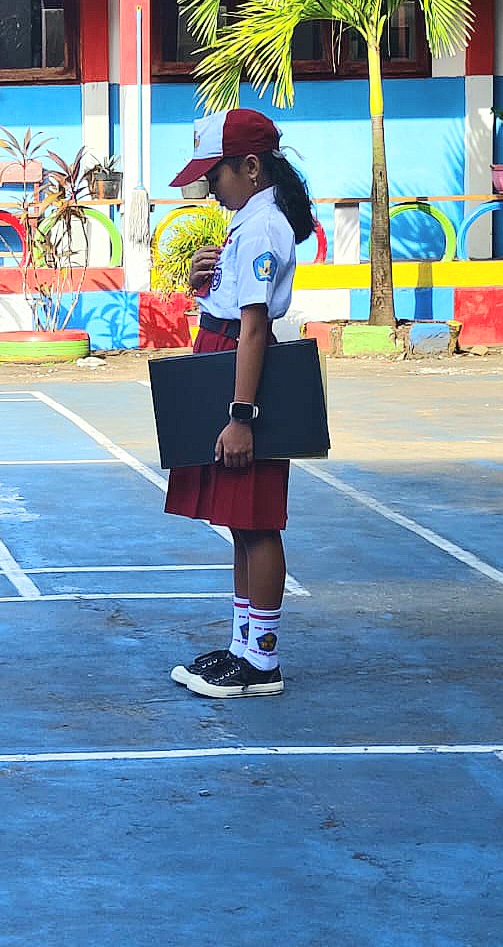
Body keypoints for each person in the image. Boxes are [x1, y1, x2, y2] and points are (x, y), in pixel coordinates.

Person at [163, 108, 316, 699]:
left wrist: (241, 416)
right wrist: (203, 280)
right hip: (226, 362)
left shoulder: (261, 228)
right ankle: (242, 646)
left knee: (257, 521)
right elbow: (231, 304)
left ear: (251, 168)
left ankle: (263, 660)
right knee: (238, 522)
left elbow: (252, 328)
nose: (210, 189)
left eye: (215, 175)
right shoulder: (246, 224)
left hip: (242, 374)